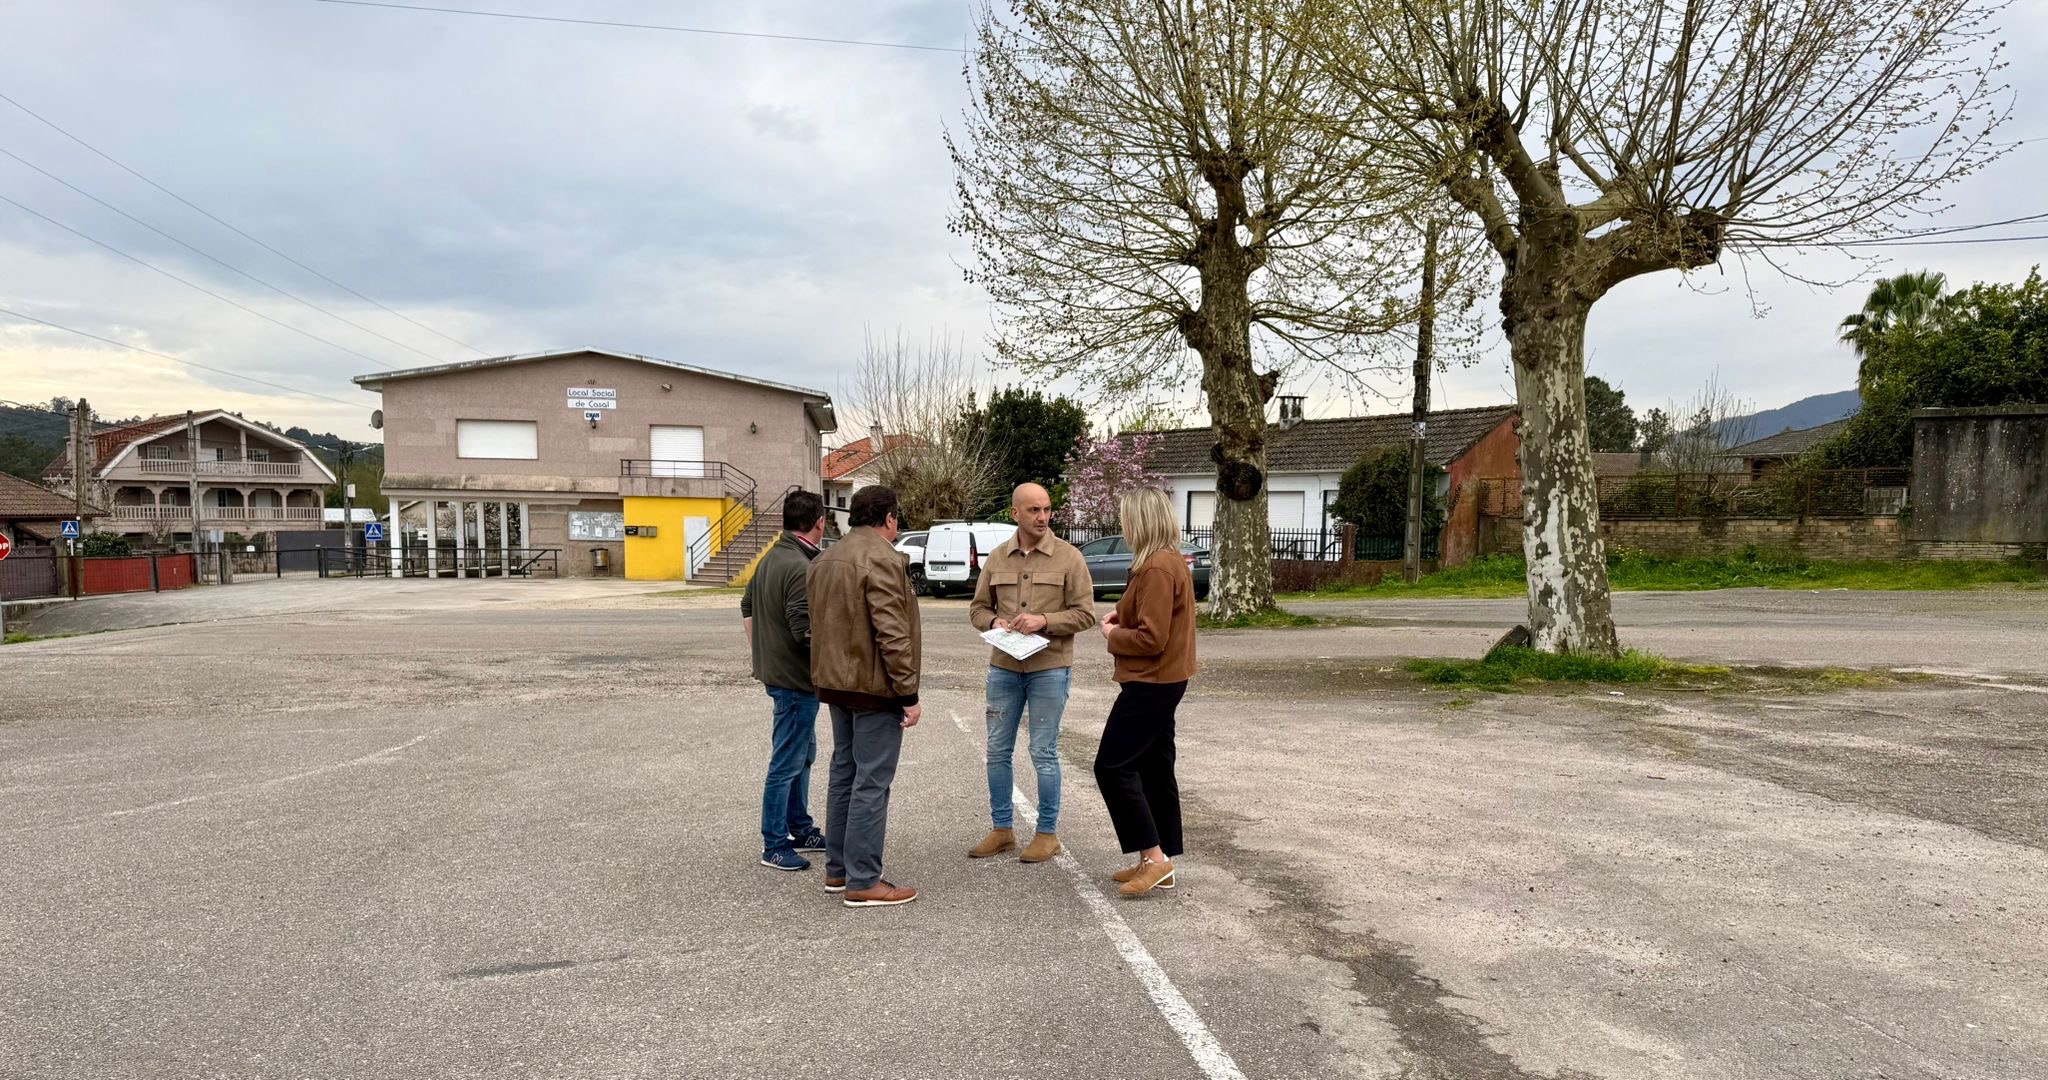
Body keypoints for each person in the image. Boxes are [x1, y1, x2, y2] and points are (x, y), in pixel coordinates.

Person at [967, 482, 1096, 863]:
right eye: (1034, 510)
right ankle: (1002, 829)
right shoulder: (997, 558)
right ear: (1015, 514)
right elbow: (976, 609)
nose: (1043, 517)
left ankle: (1047, 833)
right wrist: (995, 621)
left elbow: (1086, 613)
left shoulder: (1069, 558)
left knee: (1043, 751)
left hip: (1049, 669)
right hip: (1004, 668)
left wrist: (1043, 620)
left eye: (1047, 509)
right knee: (997, 751)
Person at [808, 485, 923, 908]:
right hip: (873, 685)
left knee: (845, 772)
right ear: (889, 518)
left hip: (835, 681)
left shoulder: (825, 557)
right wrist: (907, 691)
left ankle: (839, 870)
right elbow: (892, 632)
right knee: (871, 781)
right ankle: (863, 879)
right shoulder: (883, 559)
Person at [1093, 486, 1197, 897]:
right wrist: (1126, 613)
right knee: (1154, 765)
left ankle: (1154, 858)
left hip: (1152, 681)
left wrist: (1113, 633)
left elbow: (1151, 639)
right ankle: (1160, 858)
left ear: (1139, 520)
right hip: (1166, 678)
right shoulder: (1167, 561)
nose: (1123, 525)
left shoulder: (1156, 567)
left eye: (1126, 517)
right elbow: (1159, 618)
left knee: (1112, 766)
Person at [740, 490, 829, 872]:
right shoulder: (799, 565)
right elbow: (803, 629)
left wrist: (762, 652)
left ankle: (799, 827)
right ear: (819, 523)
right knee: (787, 761)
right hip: (795, 681)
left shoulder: (773, 558)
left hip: (782, 676)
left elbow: (747, 605)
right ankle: (774, 843)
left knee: (802, 755)